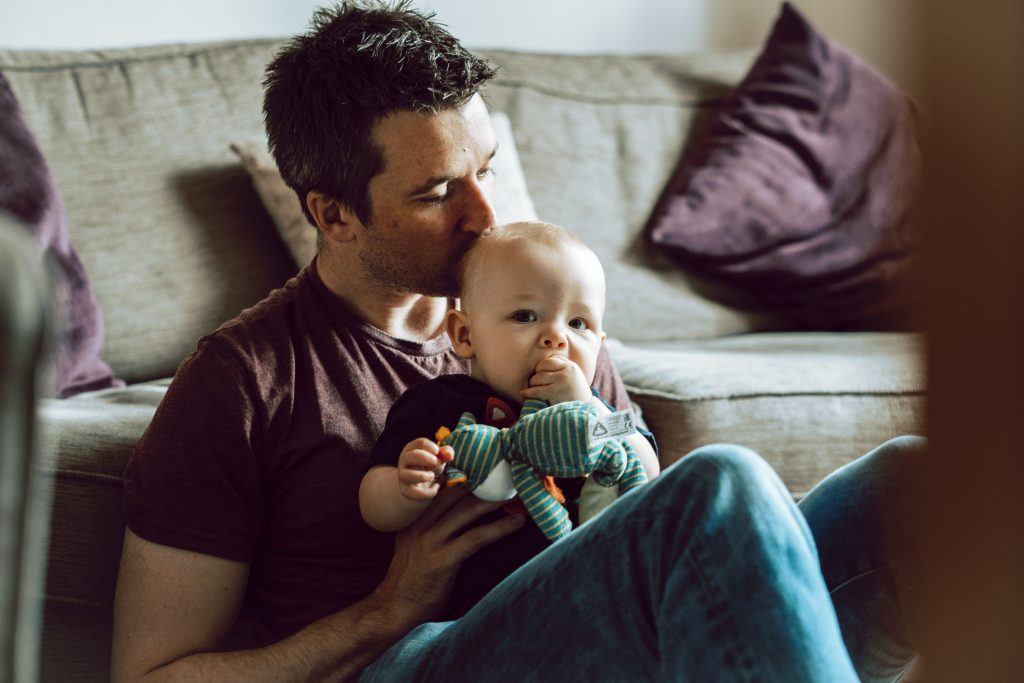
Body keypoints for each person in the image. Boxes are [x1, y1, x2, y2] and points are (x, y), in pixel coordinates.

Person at [111, 2, 921, 681]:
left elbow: (629, 510)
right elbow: (152, 675)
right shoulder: (243, 380)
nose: (486, 217)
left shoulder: (542, 321)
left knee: (911, 483)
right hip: (409, 658)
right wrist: (384, 611)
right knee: (724, 481)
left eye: (486, 170)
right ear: (334, 215)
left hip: (574, 630)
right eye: (436, 193)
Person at [359, 222, 660, 616]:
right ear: (465, 335)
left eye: (578, 324)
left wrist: (587, 406)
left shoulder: (594, 411)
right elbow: (372, 507)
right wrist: (404, 486)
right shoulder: (439, 403)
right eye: (525, 315)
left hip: (589, 593)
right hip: (484, 613)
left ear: (599, 346)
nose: (557, 338)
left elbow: (650, 471)